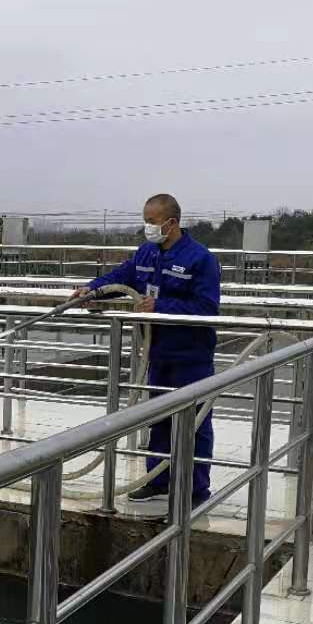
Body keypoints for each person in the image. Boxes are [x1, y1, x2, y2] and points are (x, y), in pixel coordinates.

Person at [73, 194, 221, 510]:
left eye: (152, 222)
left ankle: (196, 489)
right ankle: (157, 480)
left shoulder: (200, 259)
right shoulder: (147, 253)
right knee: (159, 417)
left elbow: (207, 307)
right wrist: (92, 289)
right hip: (157, 351)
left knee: (195, 422)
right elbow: (121, 277)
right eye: (146, 221)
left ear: (172, 222)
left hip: (191, 354)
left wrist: (162, 306)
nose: (148, 227)